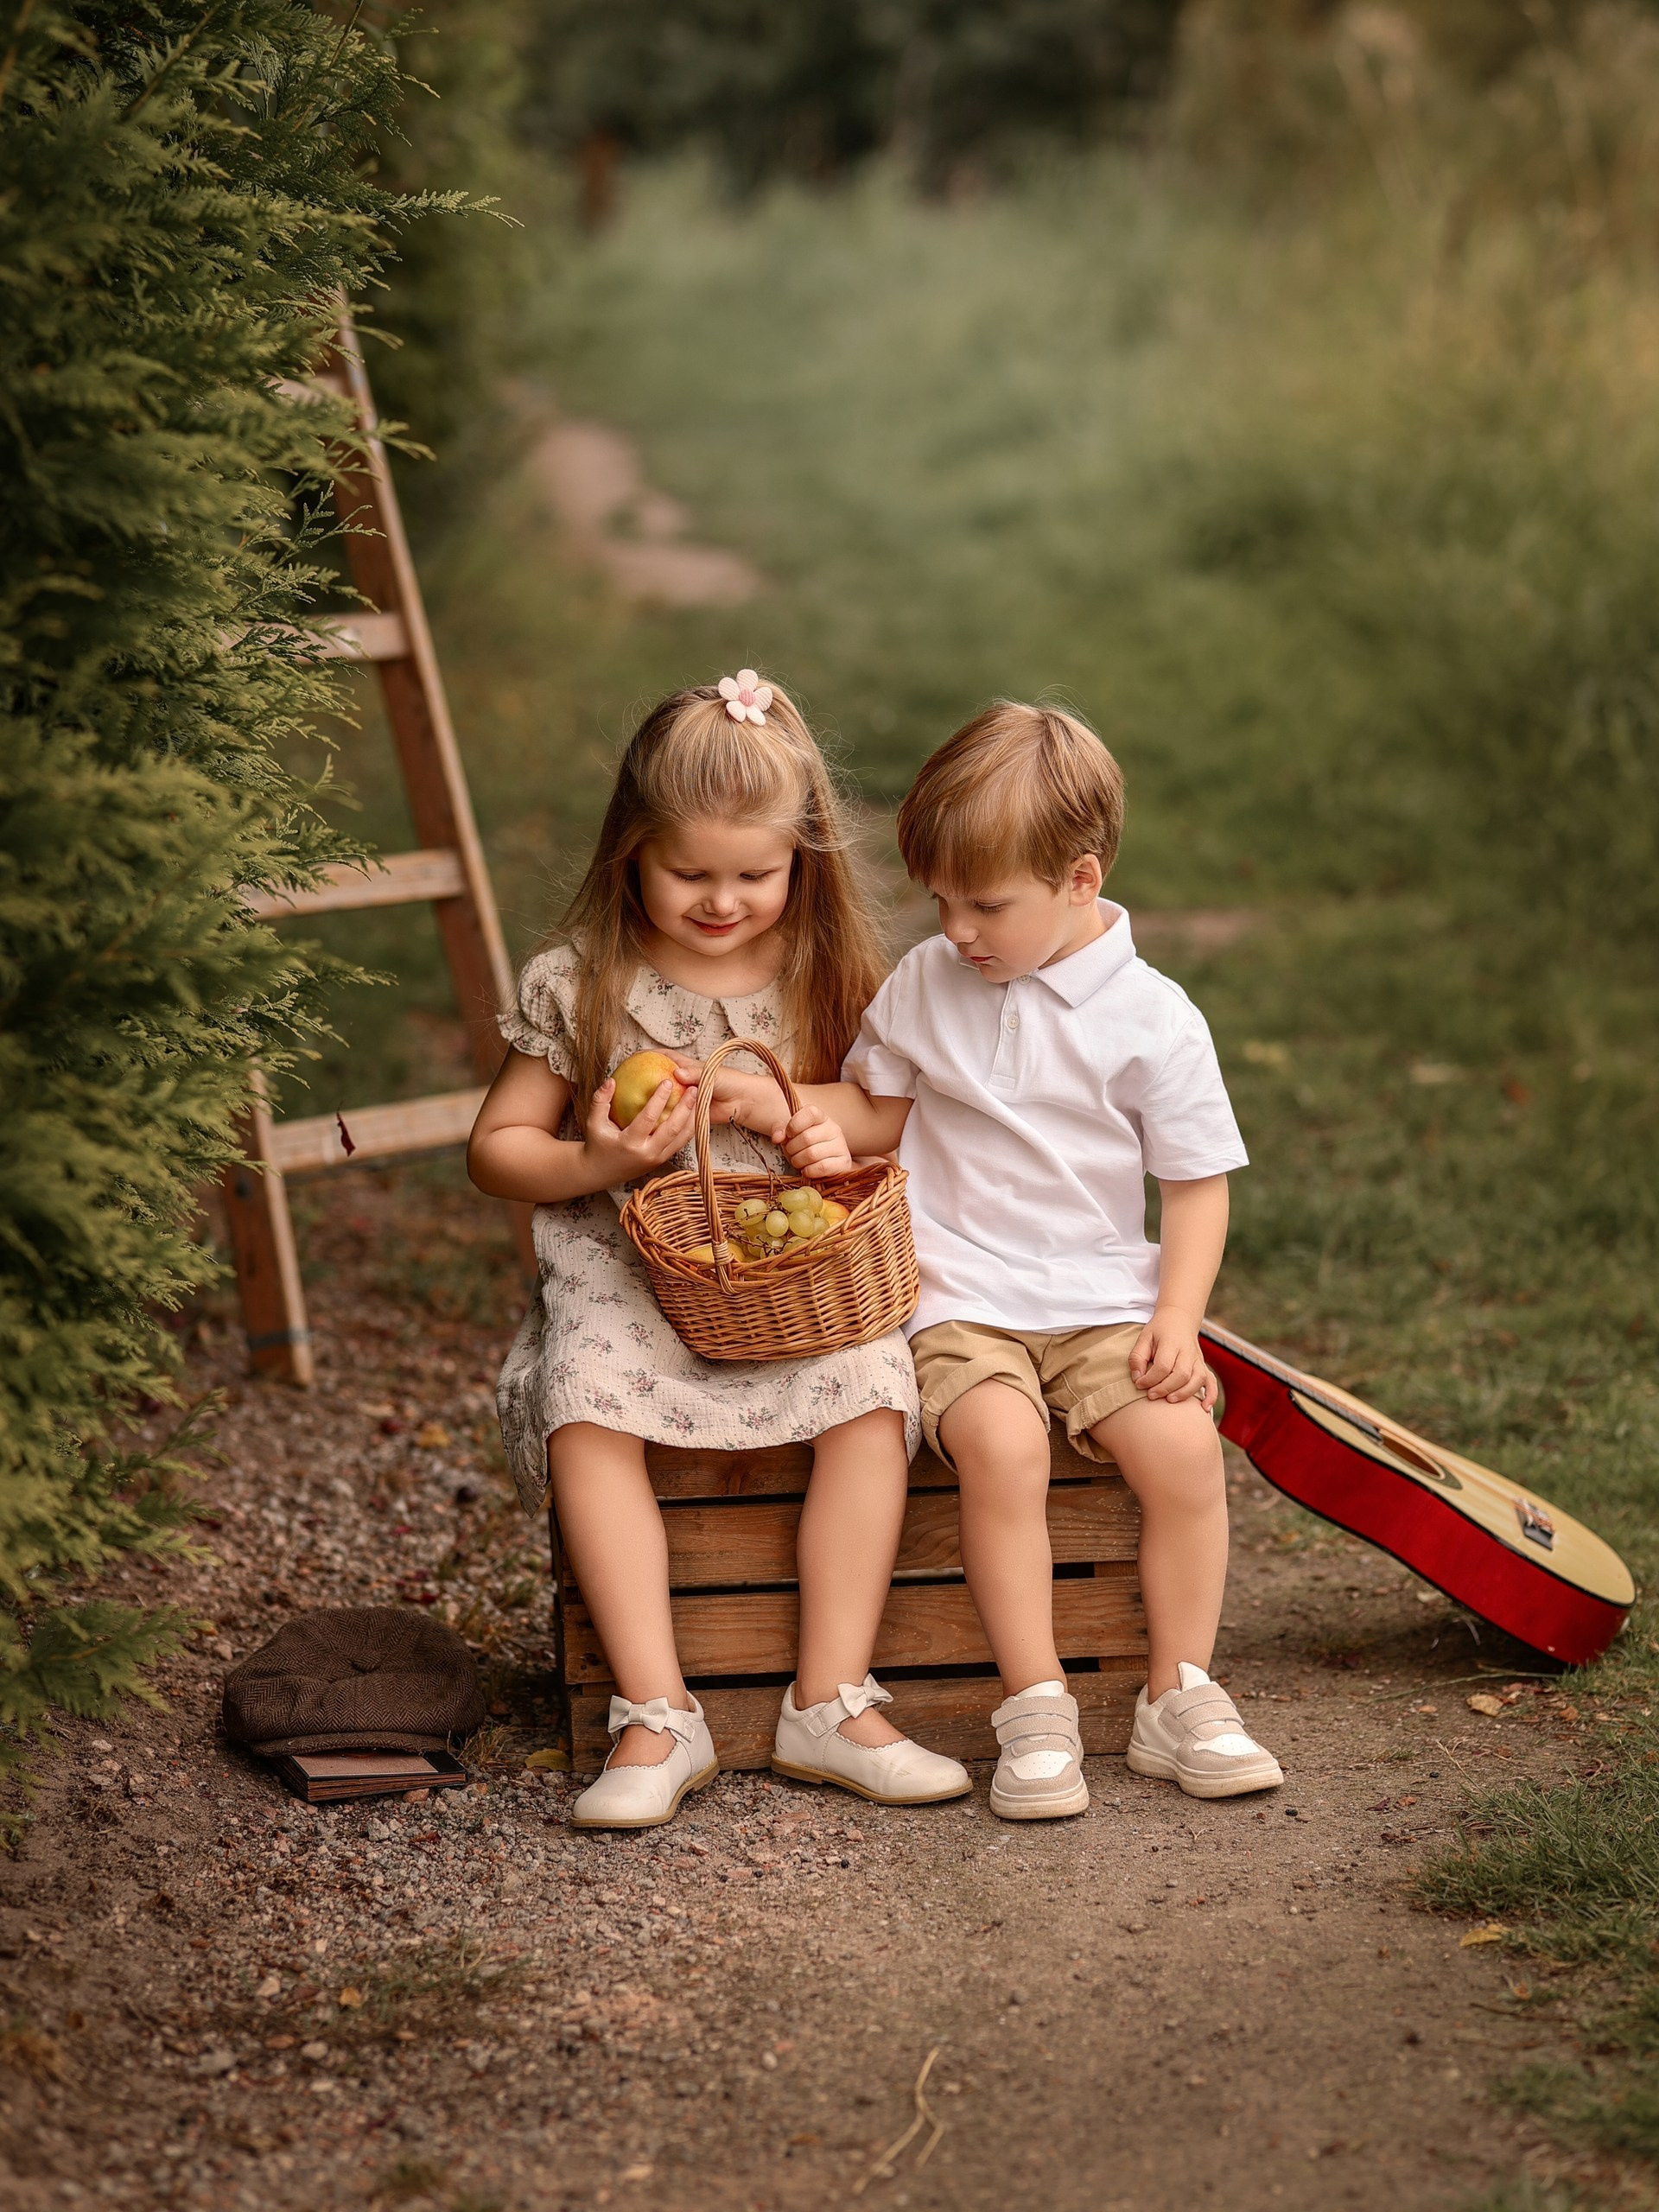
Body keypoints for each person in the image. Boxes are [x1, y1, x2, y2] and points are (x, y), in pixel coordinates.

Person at [707, 702, 1283, 1819]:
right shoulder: (929, 982)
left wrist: (1178, 1314)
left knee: (1182, 1450)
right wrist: (778, 1104)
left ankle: (1181, 1695)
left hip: (1103, 1300)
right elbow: (877, 1112)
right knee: (1001, 1445)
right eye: (942, 900)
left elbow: (1198, 1183)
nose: (958, 927)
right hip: (962, 1297)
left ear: (1079, 879)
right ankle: (1037, 1703)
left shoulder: (1153, 1020)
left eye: (987, 903)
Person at [467, 674, 969, 1830]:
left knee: (872, 1388)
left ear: (803, 860)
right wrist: (593, 1159)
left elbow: (889, 1113)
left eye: (756, 874)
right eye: (689, 873)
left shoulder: (827, 967)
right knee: (587, 1405)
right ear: (632, 850)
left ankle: (830, 1701)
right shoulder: (582, 979)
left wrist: (798, 1113)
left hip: (789, 1270)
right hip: (630, 1268)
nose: (723, 901)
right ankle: (655, 1711)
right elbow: (499, 1150)